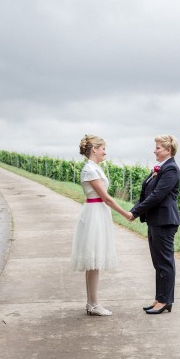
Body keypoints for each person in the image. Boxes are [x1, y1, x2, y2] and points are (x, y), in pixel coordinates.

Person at [71, 135, 133, 316]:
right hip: (95, 213)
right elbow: (106, 197)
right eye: (103, 148)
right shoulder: (90, 170)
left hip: (97, 211)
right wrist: (126, 214)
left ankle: (92, 303)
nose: (105, 152)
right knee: (94, 259)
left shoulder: (94, 168)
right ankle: (93, 303)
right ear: (95, 149)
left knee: (94, 261)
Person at [130, 135, 180, 314]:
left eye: (158, 147)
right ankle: (160, 298)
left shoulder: (171, 169)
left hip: (165, 222)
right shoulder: (161, 169)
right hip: (156, 221)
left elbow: (157, 196)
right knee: (158, 262)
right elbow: (146, 195)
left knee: (165, 262)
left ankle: (165, 301)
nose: (154, 150)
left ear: (168, 150)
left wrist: (136, 212)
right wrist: (134, 209)